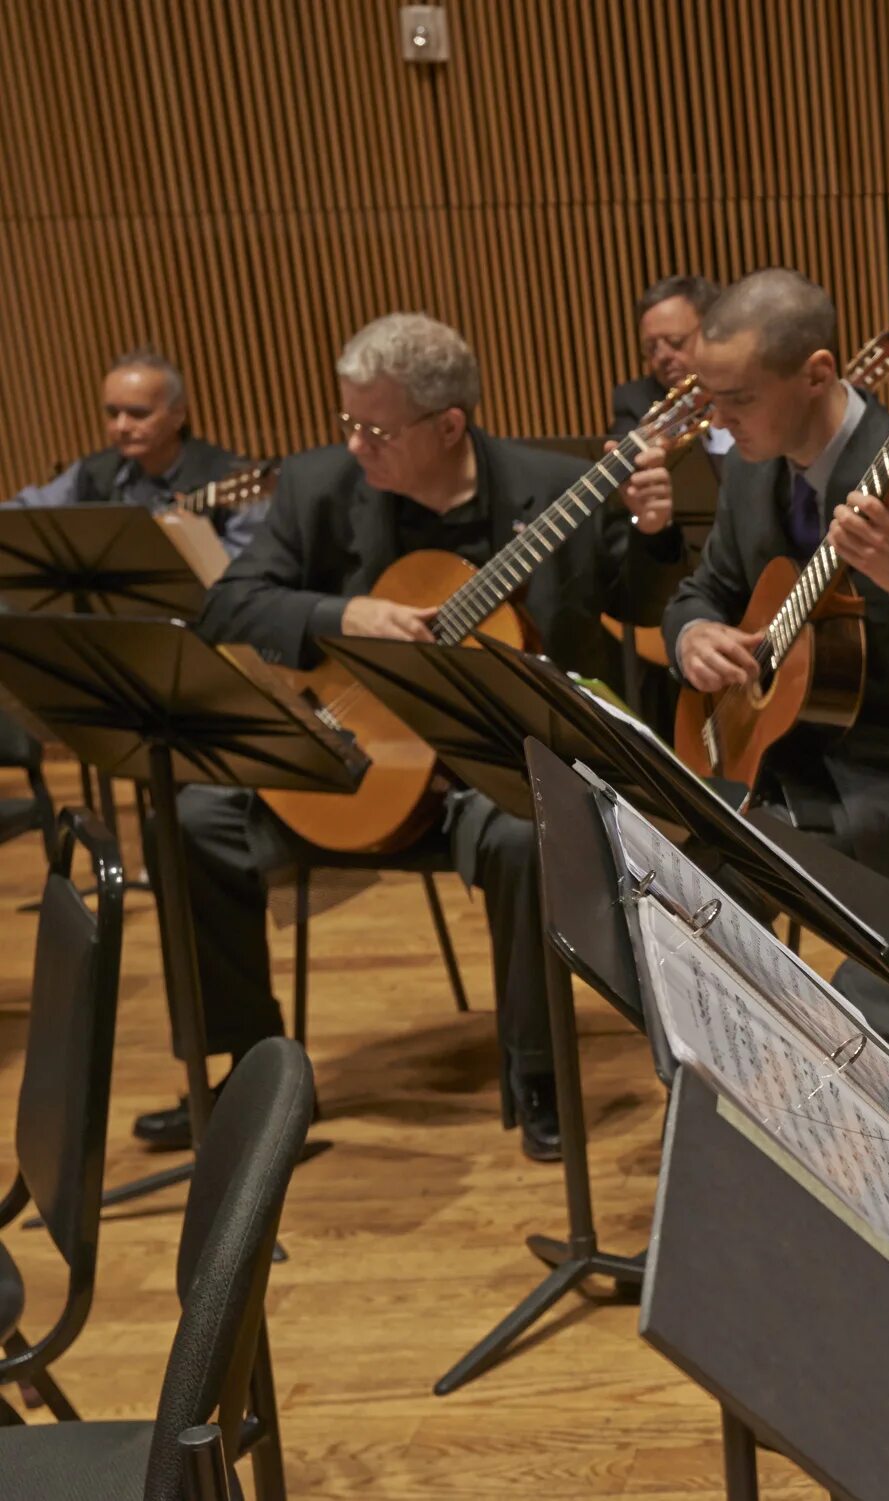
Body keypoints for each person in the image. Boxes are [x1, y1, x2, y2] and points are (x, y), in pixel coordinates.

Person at [138, 313, 686, 1162]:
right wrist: (342, 613)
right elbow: (229, 604)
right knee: (196, 817)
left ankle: (537, 1070)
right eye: (347, 422)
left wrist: (655, 534)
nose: (356, 444)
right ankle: (252, 1073)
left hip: (484, 765)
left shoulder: (553, 487)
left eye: (375, 429)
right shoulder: (321, 487)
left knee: (521, 834)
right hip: (357, 759)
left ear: (450, 426)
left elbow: (643, 606)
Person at [655, 269, 889, 928]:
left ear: (816, 372)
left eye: (739, 398)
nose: (720, 421)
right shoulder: (751, 473)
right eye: (710, 398)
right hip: (783, 760)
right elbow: (700, 593)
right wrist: (692, 635)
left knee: (718, 876)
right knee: (653, 855)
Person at [6, 346, 266, 555]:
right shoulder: (95, 471)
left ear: (178, 416)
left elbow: (250, 572)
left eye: (138, 414)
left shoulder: (231, 477)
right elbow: (27, 512)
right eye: (112, 413)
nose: (121, 426)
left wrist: (195, 547)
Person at [610, 274, 734, 459]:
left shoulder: (758, 391)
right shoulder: (634, 403)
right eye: (651, 348)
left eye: (675, 342)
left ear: (713, 331)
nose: (662, 357)